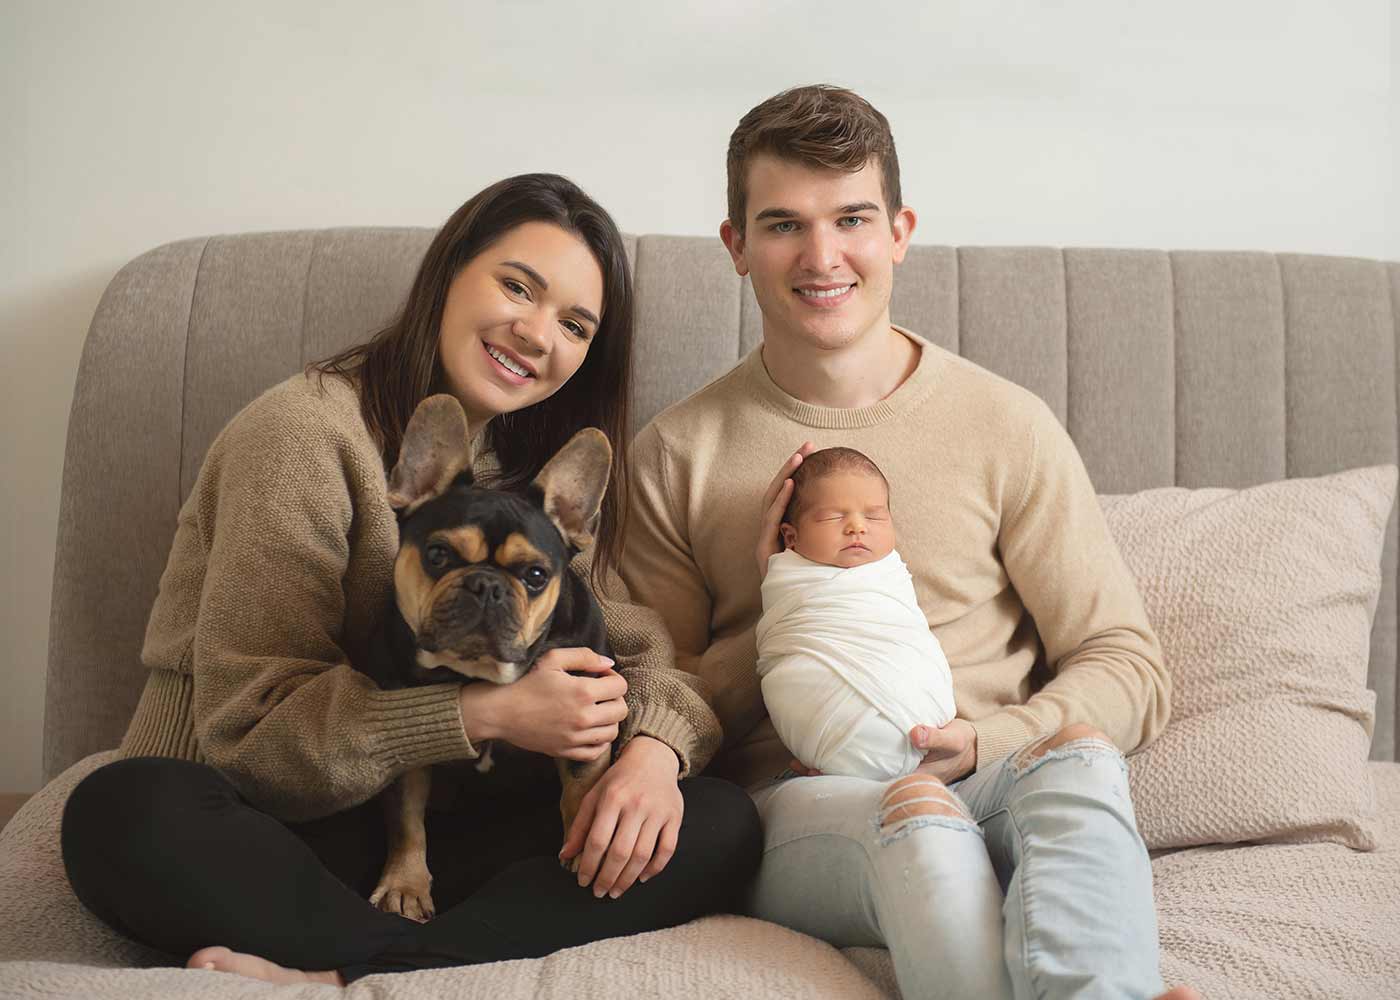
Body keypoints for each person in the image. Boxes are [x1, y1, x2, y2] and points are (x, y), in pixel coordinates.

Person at [59, 173, 762, 987]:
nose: (537, 333)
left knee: (720, 823)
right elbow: (249, 742)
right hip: (272, 820)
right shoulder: (304, 436)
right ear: (449, 270)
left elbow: (636, 653)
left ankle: (344, 970)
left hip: (437, 834)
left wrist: (651, 756)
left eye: (573, 324)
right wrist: (487, 710)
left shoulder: (520, 478)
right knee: (118, 814)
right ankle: (434, 964)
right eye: (516, 286)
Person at [621, 86, 1200, 999]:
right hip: (814, 804)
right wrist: (780, 593)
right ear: (736, 246)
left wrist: (989, 738)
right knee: (920, 816)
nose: (822, 257)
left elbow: (1127, 663)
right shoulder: (677, 453)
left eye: (852, 218)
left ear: (899, 230)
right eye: (783, 225)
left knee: (1081, 761)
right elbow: (653, 704)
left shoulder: (1006, 423)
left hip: (991, 766)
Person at [756, 445, 956, 780]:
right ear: (790, 537)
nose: (857, 527)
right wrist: (771, 583)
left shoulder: (890, 573)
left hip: (932, 735)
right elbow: (786, 641)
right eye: (834, 517)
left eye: (874, 516)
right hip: (826, 744)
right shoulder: (787, 578)